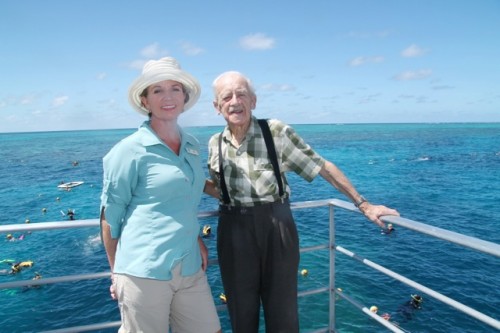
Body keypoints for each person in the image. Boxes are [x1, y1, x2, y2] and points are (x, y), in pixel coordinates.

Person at [207, 71, 400, 332]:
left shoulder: (275, 131)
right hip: (233, 230)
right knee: (241, 313)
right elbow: (222, 191)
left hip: (276, 225)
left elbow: (321, 166)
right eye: (226, 97)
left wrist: (363, 204)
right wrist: (185, 180)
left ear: (253, 101)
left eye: (241, 94)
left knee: (282, 313)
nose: (234, 101)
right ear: (217, 107)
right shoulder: (214, 143)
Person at [100, 57, 221, 333]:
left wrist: (196, 239)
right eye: (157, 90)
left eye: (175, 88)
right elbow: (110, 216)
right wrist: (116, 272)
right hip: (144, 272)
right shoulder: (128, 151)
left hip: (189, 266)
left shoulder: (191, 145)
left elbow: (185, 198)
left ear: (184, 96)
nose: (168, 97)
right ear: (145, 100)